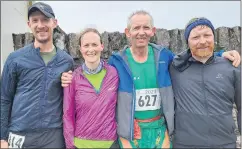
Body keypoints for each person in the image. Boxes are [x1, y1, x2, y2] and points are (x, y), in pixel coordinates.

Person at [61, 11, 241, 148]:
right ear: (127, 32)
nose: (141, 32)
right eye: (136, 28)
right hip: (132, 133)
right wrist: (71, 75)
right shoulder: (117, 61)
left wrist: (219, 55)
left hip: (160, 132)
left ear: (153, 31)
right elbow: (95, 69)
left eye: (146, 27)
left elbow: (194, 56)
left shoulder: (164, 56)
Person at [0, 2, 73, 148]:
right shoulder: (15, 58)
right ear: (29, 24)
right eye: (35, 20)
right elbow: (4, 99)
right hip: (20, 133)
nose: (40, 25)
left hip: (53, 136)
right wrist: (2, 138)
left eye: (45, 19)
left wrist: (71, 83)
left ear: (54, 23)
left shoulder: (66, 61)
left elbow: (70, 99)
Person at [170, 17, 241, 148]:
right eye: (196, 37)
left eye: (207, 35)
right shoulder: (174, 67)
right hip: (185, 144)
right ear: (187, 42)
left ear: (214, 37)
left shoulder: (232, 66)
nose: (202, 41)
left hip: (225, 143)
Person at [63, 28, 120, 148]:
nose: (90, 49)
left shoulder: (114, 73)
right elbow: (68, 115)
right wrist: (70, 145)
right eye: (86, 45)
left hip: (110, 144)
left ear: (102, 46)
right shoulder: (72, 78)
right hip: (81, 144)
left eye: (94, 44)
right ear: (80, 49)